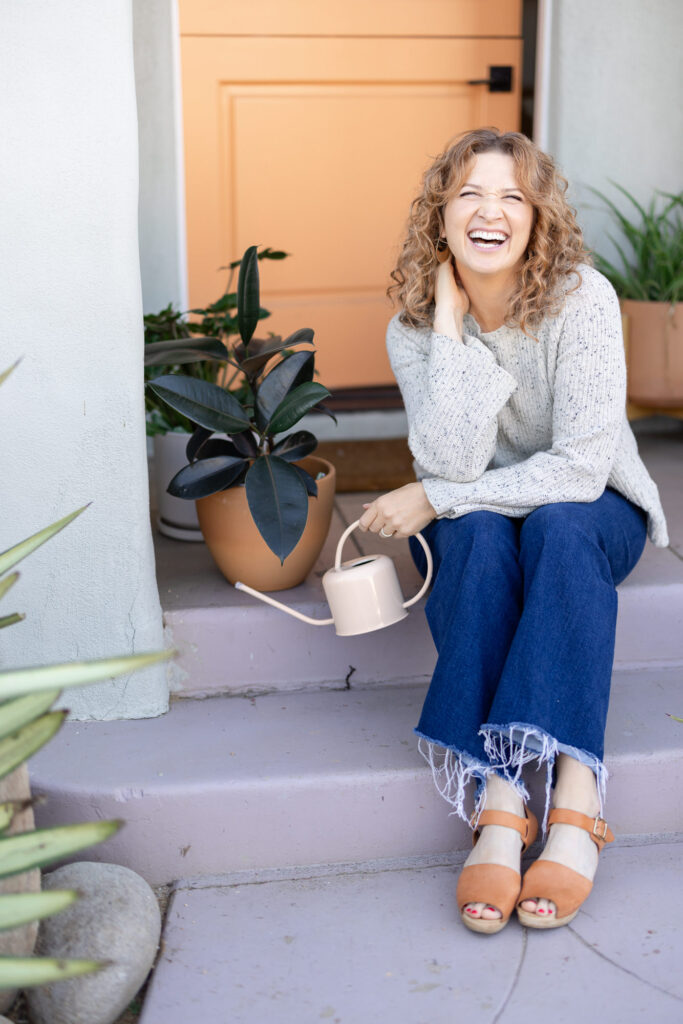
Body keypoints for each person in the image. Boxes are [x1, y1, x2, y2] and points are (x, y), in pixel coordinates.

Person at [358, 127, 668, 935]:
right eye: (469, 193)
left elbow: (575, 472)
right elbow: (455, 460)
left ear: (537, 218)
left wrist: (431, 494)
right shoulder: (413, 330)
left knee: (557, 529)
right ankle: (500, 796)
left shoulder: (583, 300)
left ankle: (573, 791)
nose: (489, 211)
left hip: (596, 509)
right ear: (440, 216)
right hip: (486, 520)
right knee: (485, 536)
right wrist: (454, 329)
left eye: (511, 196)